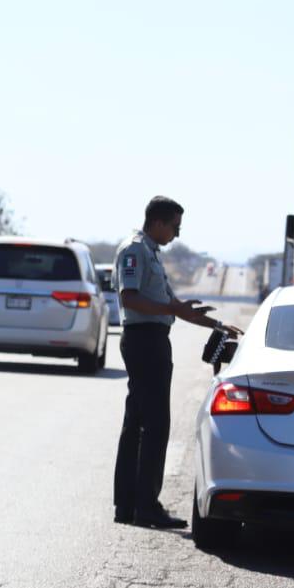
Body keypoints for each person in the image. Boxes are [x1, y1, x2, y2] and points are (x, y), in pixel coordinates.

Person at [113, 196, 243, 528]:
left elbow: (171, 304)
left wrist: (213, 324)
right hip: (144, 342)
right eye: (174, 226)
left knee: (138, 422)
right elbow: (130, 298)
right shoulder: (135, 250)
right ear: (157, 222)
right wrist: (173, 310)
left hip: (152, 340)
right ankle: (146, 506)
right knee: (154, 424)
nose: (177, 233)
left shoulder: (150, 252)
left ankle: (128, 506)